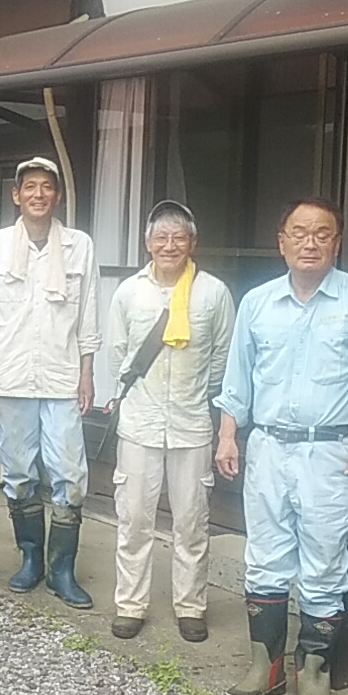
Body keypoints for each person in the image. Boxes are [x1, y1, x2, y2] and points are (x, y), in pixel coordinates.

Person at [214, 198, 348, 695]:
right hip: (268, 445)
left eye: (322, 233)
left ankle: (312, 670)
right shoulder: (258, 302)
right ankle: (264, 665)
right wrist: (228, 437)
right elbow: (236, 380)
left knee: (324, 560)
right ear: (282, 241)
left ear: (336, 242)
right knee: (265, 555)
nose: (310, 242)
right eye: (300, 232)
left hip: (331, 450)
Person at [0, 156, 100, 609]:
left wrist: (87, 374)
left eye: (47, 186)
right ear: (16, 195)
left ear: (57, 195)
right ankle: (31, 559)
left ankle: (63, 570)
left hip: (63, 378)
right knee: (20, 471)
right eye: (30, 186)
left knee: (68, 473)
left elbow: (88, 315)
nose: (38, 194)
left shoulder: (80, 245)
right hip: (10, 376)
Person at [104, 200, 235, 643]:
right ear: (147, 243)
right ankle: (130, 604)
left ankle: (190, 605)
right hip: (139, 422)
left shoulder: (213, 293)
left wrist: (200, 395)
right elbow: (119, 354)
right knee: (134, 519)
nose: (170, 244)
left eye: (179, 237)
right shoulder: (128, 292)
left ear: (193, 243)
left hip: (193, 422)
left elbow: (221, 359)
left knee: (192, 522)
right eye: (161, 237)